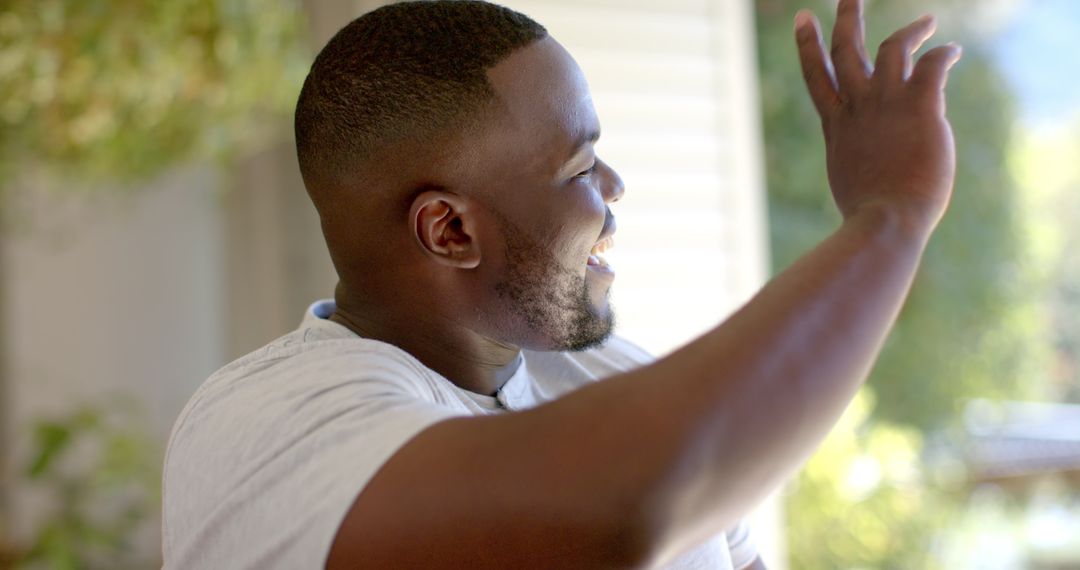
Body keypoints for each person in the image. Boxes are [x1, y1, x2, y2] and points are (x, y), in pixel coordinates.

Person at [161, 0, 962, 567]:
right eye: (579, 166)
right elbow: (623, 515)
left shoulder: (603, 374)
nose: (613, 184)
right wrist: (889, 218)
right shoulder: (268, 423)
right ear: (450, 231)